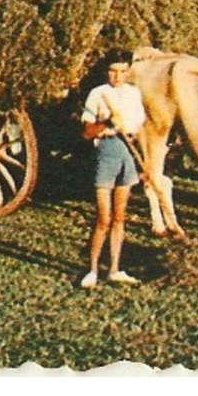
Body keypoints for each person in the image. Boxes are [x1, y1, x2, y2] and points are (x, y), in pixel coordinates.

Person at [78, 54, 147, 289]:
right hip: (106, 153)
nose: (117, 76)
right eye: (113, 71)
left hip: (127, 155)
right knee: (103, 219)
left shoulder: (134, 94)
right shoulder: (98, 93)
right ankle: (92, 270)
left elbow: (138, 127)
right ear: (107, 71)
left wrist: (143, 160)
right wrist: (107, 124)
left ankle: (115, 269)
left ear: (129, 71)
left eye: (122, 71)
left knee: (120, 218)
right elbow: (86, 132)